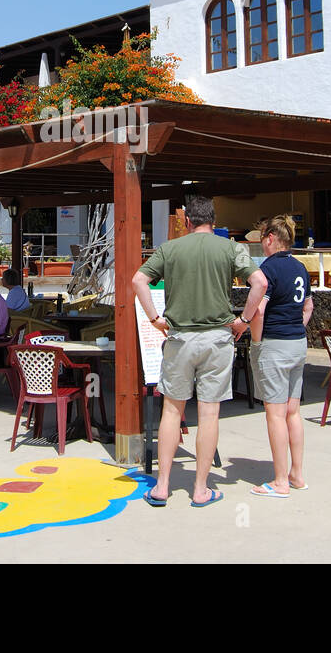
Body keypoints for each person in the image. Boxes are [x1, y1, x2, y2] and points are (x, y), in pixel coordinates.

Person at [132, 195, 255, 508]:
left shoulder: (170, 249)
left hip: (180, 339)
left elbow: (139, 280)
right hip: (217, 339)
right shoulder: (230, 249)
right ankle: (201, 489)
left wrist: (154, 318)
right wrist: (244, 320)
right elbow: (261, 282)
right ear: (213, 220)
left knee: (172, 410)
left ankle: (161, 487)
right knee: (209, 412)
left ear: (186, 221)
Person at [237, 214, 314, 498]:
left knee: (275, 414)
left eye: (263, 242)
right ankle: (296, 473)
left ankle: (280, 480)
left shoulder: (267, 269)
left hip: (274, 343)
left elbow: (258, 310)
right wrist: (296, 328)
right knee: (293, 412)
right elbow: (308, 308)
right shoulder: (300, 268)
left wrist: (256, 340)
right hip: (297, 342)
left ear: (270, 239)